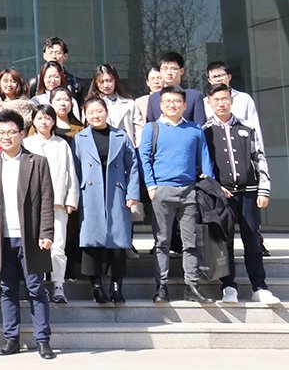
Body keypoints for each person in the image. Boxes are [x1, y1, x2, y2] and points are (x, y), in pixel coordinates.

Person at [0, 111, 56, 359]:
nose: (6, 137)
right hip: (2, 237)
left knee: (36, 288)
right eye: (1, 132)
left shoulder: (37, 162)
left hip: (31, 237)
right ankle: (11, 338)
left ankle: (42, 340)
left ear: (22, 134)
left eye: (11, 132)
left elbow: (46, 199)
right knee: (7, 289)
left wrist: (46, 232)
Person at [204, 84, 279, 304]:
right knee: (224, 241)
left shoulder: (247, 127)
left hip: (249, 193)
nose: (221, 103)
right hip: (223, 196)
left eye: (225, 98)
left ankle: (259, 287)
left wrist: (264, 189)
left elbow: (260, 158)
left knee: (252, 240)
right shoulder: (205, 131)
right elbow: (203, 166)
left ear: (231, 100)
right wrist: (215, 189)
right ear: (210, 102)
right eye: (216, 100)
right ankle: (228, 286)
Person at [141, 86, 215, 303]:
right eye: (167, 101)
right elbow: (144, 158)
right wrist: (151, 186)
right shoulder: (152, 128)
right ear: (160, 105)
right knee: (161, 241)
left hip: (189, 191)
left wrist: (209, 188)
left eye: (176, 101)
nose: (172, 105)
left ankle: (192, 286)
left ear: (184, 105)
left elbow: (205, 161)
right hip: (161, 190)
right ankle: (161, 286)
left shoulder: (195, 129)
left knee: (190, 242)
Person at [72, 96, 140, 305]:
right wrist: (74, 196)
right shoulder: (80, 138)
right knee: (91, 241)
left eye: (99, 111)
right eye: (90, 112)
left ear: (106, 112)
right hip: (90, 194)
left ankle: (116, 286)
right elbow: (74, 170)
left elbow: (133, 166)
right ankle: (96, 286)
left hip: (116, 192)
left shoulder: (121, 136)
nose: (95, 115)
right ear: (85, 115)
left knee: (117, 241)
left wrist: (132, 194)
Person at [24, 105, 79, 303]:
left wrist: (71, 198)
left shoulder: (62, 144)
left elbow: (71, 172)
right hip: (32, 204)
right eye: (40, 118)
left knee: (58, 246)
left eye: (48, 118)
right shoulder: (26, 143)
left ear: (54, 121)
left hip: (57, 202)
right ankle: (36, 286)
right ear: (33, 121)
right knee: (34, 246)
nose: (44, 122)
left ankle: (58, 285)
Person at [204, 61, 264, 155]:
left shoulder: (244, 98)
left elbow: (255, 127)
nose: (218, 79)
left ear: (229, 76)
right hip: (217, 151)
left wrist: (260, 154)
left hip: (243, 149)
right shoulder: (205, 102)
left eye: (221, 75)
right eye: (214, 77)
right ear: (209, 80)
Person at [90, 63, 144, 146]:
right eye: (101, 82)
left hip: (126, 148)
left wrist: (137, 147)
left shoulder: (130, 104)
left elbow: (139, 128)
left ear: (115, 80)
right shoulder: (90, 105)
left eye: (109, 81)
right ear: (96, 83)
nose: (105, 85)